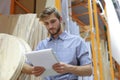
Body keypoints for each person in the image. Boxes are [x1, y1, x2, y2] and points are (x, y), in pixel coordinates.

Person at [34, 7, 92, 80]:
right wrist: (34, 70)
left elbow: (89, 70)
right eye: (46, 23)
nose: (50, 26)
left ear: (60, 19)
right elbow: (25, 66)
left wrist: (69, 68)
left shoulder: (76, 41)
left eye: (53, 21)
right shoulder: (42, 45)